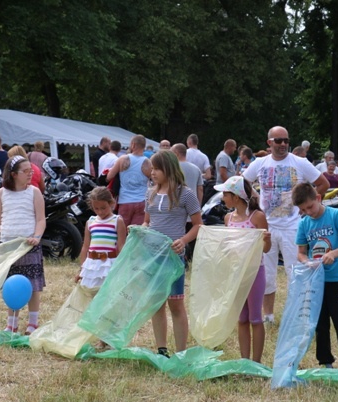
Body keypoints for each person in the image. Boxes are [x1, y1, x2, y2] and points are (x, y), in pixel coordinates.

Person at [243, 126, 328, 325]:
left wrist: (305, 206)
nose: (283, 144)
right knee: (267, 273)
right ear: (269, 142)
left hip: (293, 227)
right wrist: (255, 199)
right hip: (267, 227)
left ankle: (296, 315)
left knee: (295, 271)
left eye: (286, 141)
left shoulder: (299, 162)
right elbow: (243, 182)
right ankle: (269, 316)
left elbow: (322, 183)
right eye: (278, 140)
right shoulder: (260, 163)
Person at [293, 182, 338, 370]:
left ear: (318, 199)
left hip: (337, 279)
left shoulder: (336, 215)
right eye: (303, 209)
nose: (308, 212)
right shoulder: (304, 223)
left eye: (310, 206)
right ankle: (325, 362)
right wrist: (307, 262)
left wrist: (333, 254)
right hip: (317, 282)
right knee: (320, 324)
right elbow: (301, 252)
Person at [144, 150, 202, 357]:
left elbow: (198, 225)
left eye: (156, 168)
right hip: (152, 255)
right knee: (156, 303)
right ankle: (161, 350)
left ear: (168, 169)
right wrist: (141, 230)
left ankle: (181, 353)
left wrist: (183, 241)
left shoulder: (185, 193)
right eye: (151, 168)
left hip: (173, 257)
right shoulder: (150, 192)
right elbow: (147, 221)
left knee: (175, 304)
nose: (152, 172)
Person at [0, 156, 46, 335]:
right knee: (11, 286)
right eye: (26, 171)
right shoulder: (1, 193)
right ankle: (12, 324)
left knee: (33, 286)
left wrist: (37, 237)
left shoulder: (34, 192)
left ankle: (33, 323)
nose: (30, 174)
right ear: (13, 174)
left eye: (30, 171)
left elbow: (41, 219)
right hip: (8, 246)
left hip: (28, 245)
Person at [215, 176, 271, 363]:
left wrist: (267, 239)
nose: (223, 197)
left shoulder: (257, 217)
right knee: (242, 318)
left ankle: (256, 362)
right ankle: (244, 361)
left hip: (254, 272)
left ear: (236, 197)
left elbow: (266, 249)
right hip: (237, 273)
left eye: (225, 194)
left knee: (256, 318)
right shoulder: (228, 218)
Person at [77, 186, 127, 288]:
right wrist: (82, 268)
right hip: (91, 264)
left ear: (111, 203)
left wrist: (124, 266)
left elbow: (122, 246)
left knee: (107, 292)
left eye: (103, 208)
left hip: (109, 264)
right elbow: (85, 247)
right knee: (90, 293)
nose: (100, 212)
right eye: (96, 208)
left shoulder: (117, 221)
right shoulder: (90, 222)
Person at [107, 135, 152, 226]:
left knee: (122, 231)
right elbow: (155, 180)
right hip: (142, 201)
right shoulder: (148, 162)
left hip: (125, 200)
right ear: (144, 146)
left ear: (133, 144)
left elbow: (109, 177)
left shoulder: (122, 159)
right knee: (136, 234)